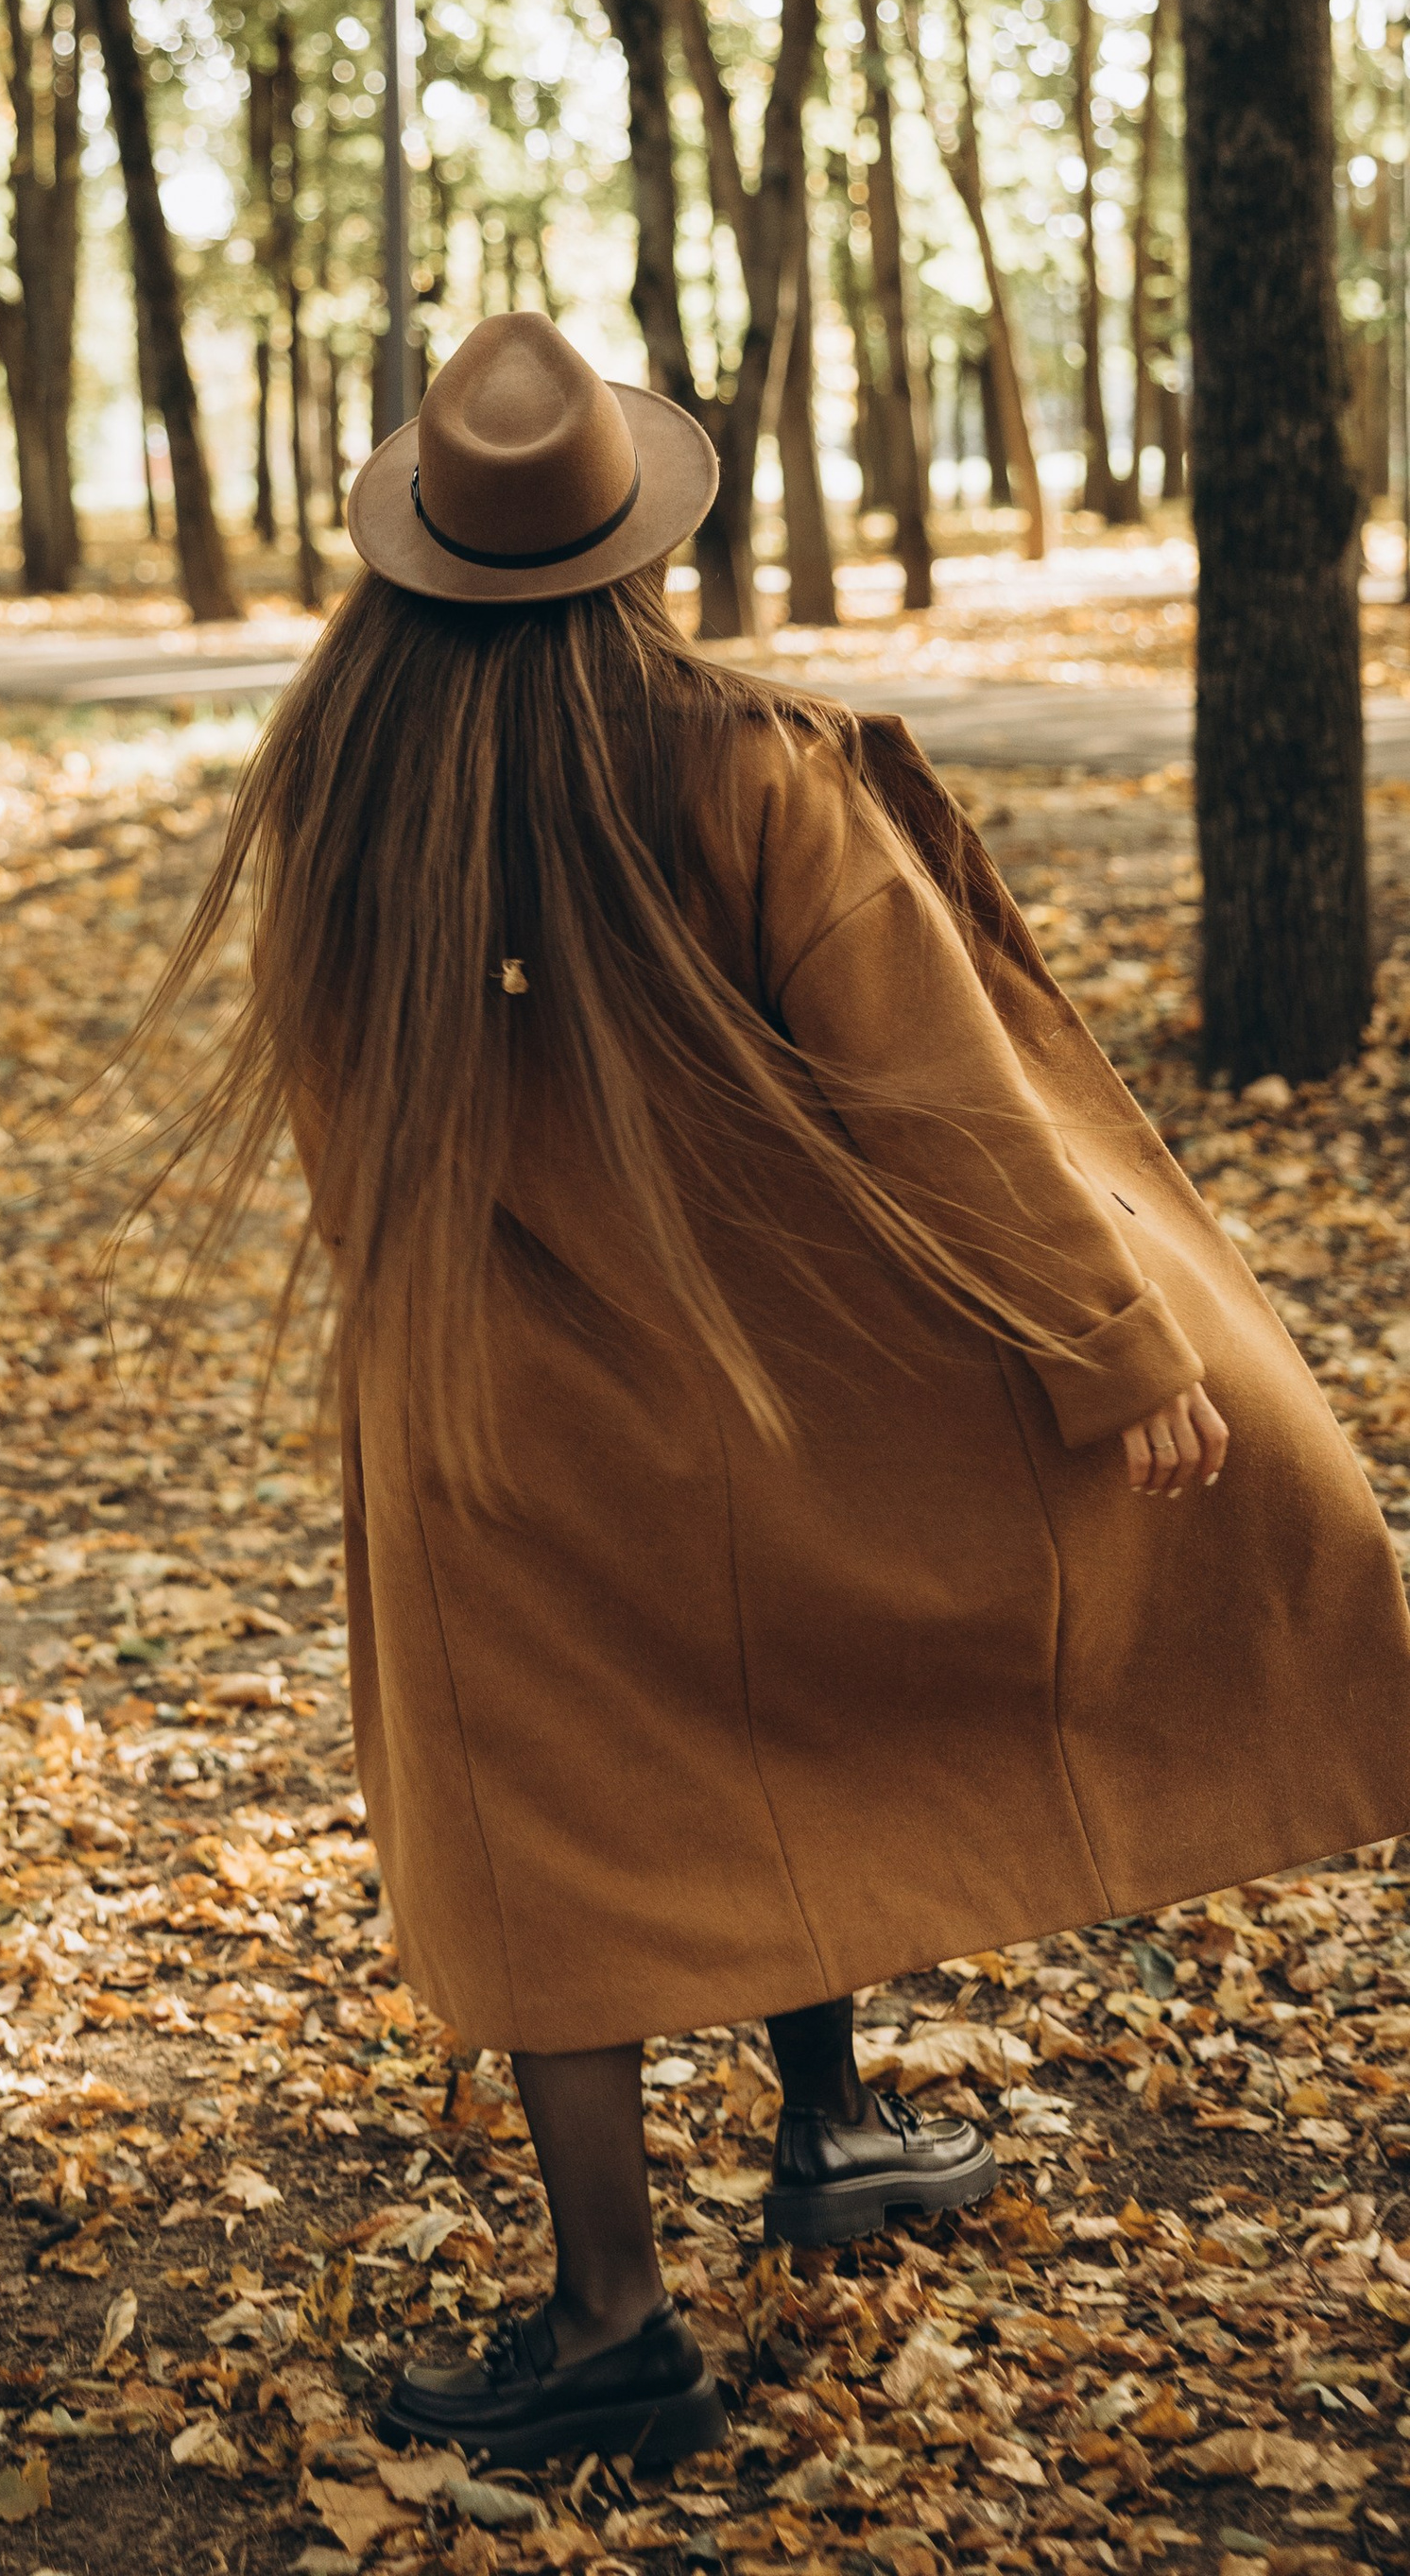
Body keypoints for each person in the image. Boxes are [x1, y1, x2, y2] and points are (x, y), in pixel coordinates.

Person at [120, 313, 1410, 2477]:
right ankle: (809, 2134)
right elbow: (940, 1089)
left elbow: (344, 1120)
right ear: (632, 552)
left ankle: (627, 2302)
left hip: (486, 1399)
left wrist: (437, 1312)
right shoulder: (742, 764)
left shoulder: (341, 785)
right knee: (768, 1703)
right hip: (757, 1378)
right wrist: (1111, 1347)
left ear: (417, 564)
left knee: (565, 1823)